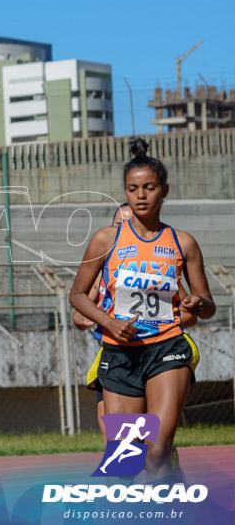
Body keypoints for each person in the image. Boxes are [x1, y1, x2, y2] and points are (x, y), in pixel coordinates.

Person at [70, 137, 215, 482]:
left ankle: (169, 499)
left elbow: (207, 305)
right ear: (125, 191)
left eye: (149, 187)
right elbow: (77, 295)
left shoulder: (183, 242)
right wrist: (109, 322)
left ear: (164, 190)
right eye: (132, 188)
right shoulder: (107, 239)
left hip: (167, 350)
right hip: (120, 355)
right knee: (125, 461)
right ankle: (167, 488)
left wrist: (198, 302)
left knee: (156, 451)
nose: (140, 195)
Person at [74, 203, 200, 449]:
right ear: (113, 226)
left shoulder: (162, 262)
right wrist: (105, 319)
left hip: (161, 350)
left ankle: (164, 463)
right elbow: (78, 317)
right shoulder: (103, 269)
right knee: (122, 448)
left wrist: (160, 321)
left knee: (155, 445)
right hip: (116, 357)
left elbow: (189, 314)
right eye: (121, 224)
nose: (131, 228)